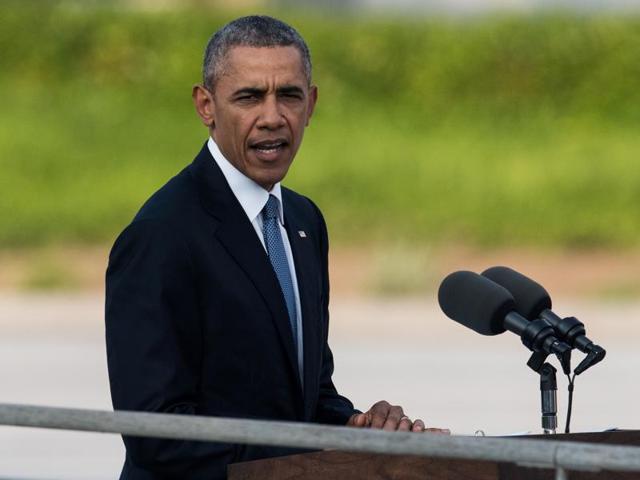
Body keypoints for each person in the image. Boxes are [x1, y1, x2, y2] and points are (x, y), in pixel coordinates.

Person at [105, 15, 442, 480]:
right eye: (248, 97)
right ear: (206, 105)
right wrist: (295, 461)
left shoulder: (303, 221)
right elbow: (155, 433)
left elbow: (307, 397)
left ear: (313, 103)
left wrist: (358, 426)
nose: (272, 117)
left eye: (289, 94)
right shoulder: (161, 234)